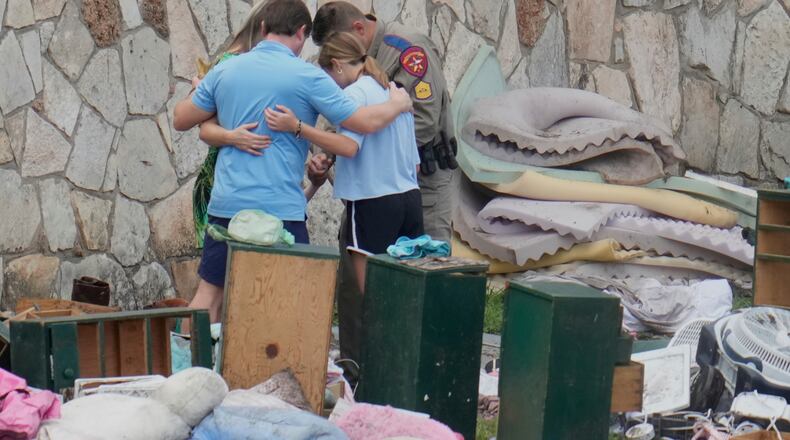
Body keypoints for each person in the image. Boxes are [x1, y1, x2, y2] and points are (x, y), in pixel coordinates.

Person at [172, 0, 412, 327]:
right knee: (291, 304)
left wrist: (225, 126)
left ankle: (187, 370)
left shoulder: (226, 69)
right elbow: (363, 123)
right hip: (281, 211)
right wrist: (398, 104)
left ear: (262, 28)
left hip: (228, 206)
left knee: (208, 296)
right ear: (302, 33)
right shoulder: (308, 76)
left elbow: (181, 119)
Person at [311, 1, 457, 382]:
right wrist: (330, 148)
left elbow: (422, 120)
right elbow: (347, 115)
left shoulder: (407, 50)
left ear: (357, 31)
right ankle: (360, 371)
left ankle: (429, 371)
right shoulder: (362, 74)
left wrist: (359, 137)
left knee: (422, 278)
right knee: (356, 283)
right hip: (379, 184)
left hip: (421, 182)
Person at [265, 32, 423, 294]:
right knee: (407, 295)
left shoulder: (353, 94)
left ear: (337, 65)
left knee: (373, 294)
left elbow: (349, 147)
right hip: (410, 199)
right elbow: (414, 165)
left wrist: (298, 127)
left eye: (327, 77)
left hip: (373, 202)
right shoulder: (394, 93)